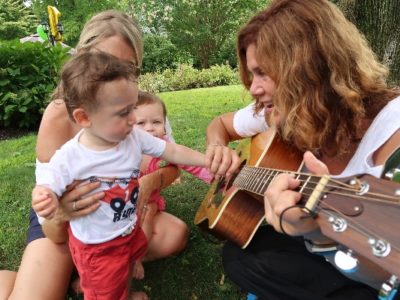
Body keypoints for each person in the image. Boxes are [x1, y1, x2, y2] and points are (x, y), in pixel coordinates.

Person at [0, 10, 207, 300]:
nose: (117, 77)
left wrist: (150, 182)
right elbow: (50, 212)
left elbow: (172, 164)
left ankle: (86, 272)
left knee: (175, 235)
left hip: (117, 212)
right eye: (106, 63)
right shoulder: (59, 115)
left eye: (129, 68)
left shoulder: (136, 109)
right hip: (64, 222)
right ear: (82, 57)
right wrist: (62, 212)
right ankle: (45, 273)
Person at [205, 0, 400, 299]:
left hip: (368, 272)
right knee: (238, 256)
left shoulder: (392, 130)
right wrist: (218, 148)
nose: (253, 89)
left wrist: (315, 232)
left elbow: (388, 267)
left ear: (308, 69)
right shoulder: (282, 110)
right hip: (321, 246)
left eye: (263, 73)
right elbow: (219, 124)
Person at [31, 51, 231, 300]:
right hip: (98, 247)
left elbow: (172, 150)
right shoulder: (70, 156)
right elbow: (49, 182)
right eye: (124, 112)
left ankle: (125, 290)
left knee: (125, 265)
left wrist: (208, 161)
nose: (134, 119)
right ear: (84, 118)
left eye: (132, 108)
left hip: (128, 227)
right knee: (107, 290)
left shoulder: (132, 137)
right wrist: (45, 195)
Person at [132, 90, 213, 278]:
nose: (150, 128)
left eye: (156, 122)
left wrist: (215, 176)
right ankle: (120, 262)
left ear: (165, 126)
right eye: (141, 123)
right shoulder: (123, 146)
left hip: (148, 203)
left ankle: (134, 258)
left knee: (149, 211)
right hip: (119, 207)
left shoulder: (163, 145)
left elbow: (191, 164)